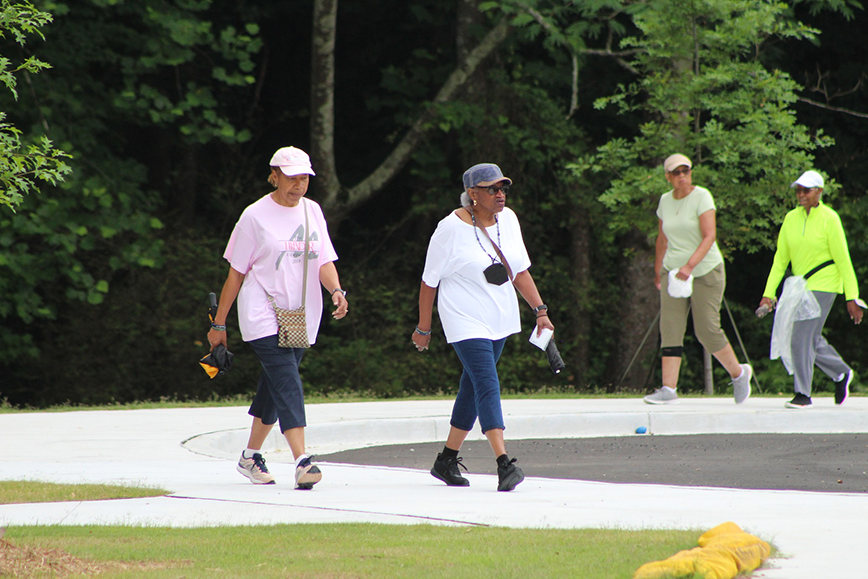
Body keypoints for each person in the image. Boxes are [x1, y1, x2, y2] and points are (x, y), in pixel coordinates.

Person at [207, 146, 349, 488]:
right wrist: (218, 324)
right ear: (274, 175)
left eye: (304, 178)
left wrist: (337, 291)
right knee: (287, 377)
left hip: (300, 313)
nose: (298, 185)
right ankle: (302, 460)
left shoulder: (312, 211)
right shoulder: (254, 216)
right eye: (291, 177)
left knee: (275, 384)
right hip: (262, 310)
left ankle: (249, 457)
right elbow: (236, 274)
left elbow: (324, 261)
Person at [412, 163, 554, 492]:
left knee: (472, 386)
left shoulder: (510, 220)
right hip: (463, 318)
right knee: (487, 382)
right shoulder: (449, 229)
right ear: (472, 194)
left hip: (500, 317)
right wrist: (424, 327)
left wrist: (540, 310)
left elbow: (518, 271)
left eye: (503, 188)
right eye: (492, 189)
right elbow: (428, 282)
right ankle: (504, 463)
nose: (500, 194)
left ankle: (446, 459)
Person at [644, 153, 753, 405]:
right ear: (668, 177)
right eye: (676, 172)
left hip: (705, 270)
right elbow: (662, 238)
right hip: (673, 271)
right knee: (670, 328)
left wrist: (690, 266)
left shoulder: (702, 196)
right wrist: (658, 269)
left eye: (686, 171)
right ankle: (668, 389)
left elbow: (709, 236)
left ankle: (738, 374)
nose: (682, 176)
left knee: (706, 329)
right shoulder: (664, 201)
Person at [758, 170, 862, 409]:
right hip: (800, 286)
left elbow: (843, 260)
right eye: (798, 190)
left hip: (825, 284)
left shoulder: (830, 218)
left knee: (800, 336)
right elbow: (780, 260)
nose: (801, 194)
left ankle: (802, 393)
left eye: (806, 190)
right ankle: (840, 372)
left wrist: (852, 296)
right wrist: (768, 293)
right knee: (810, 337)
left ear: (819, 192)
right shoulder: (790, 219)